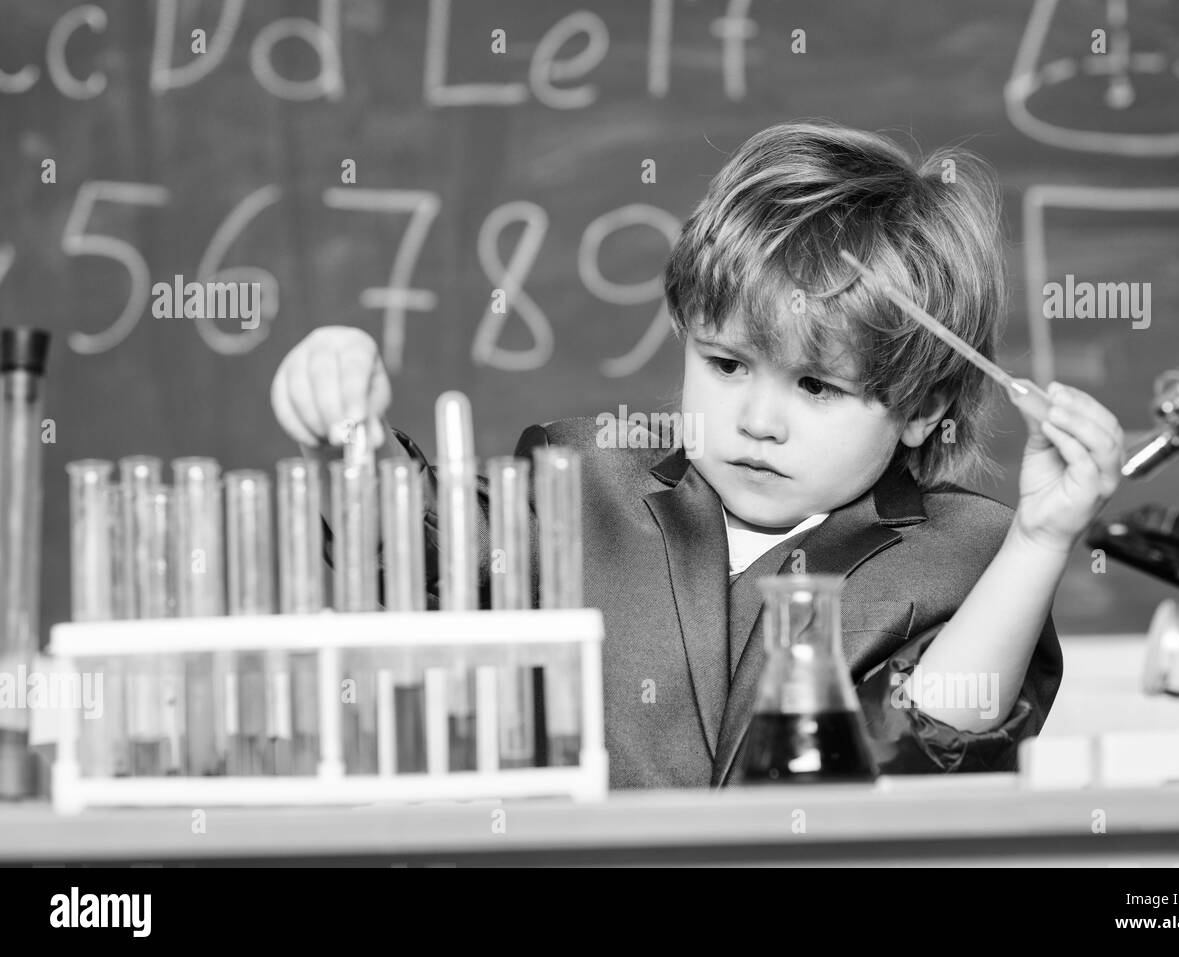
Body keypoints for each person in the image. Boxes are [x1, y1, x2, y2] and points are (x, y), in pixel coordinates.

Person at [270, 120, 1125, 788]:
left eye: (817, 388)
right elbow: (424, 549)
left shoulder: (966, 558)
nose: (757, 419)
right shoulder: (580, 479)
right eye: (725, 364)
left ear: (922, 405)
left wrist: (1043, 542)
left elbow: (932, 754)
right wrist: (348, 428)